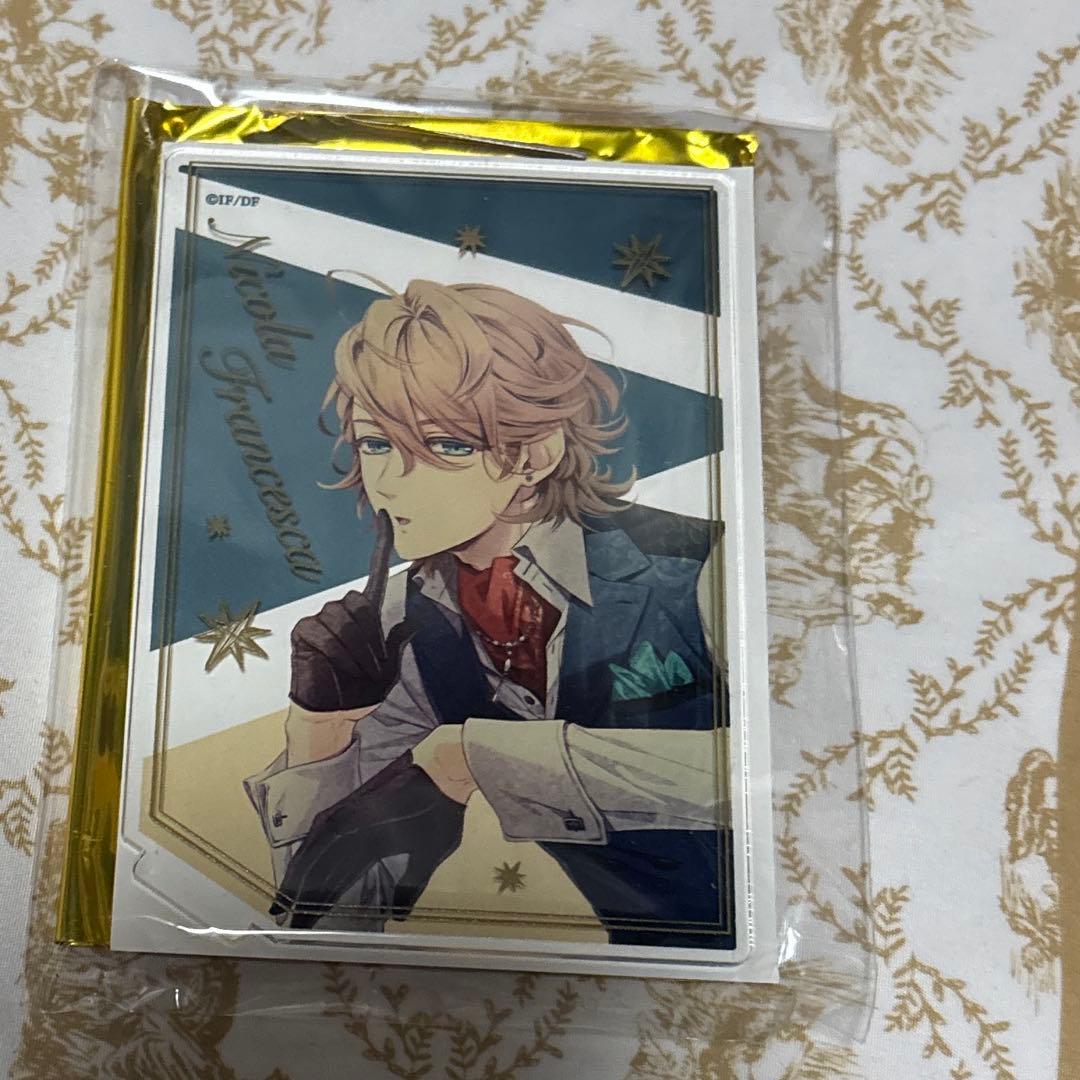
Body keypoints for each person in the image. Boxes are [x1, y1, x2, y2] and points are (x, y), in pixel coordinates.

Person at [244, 279, 733, 949]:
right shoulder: (401, 627)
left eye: (443, 446)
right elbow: (331, 920)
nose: (390, 483)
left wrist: (475, 758)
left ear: (534, 454)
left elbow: (777, 778)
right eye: (375, 444)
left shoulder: (698, 565)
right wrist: (318, 730)